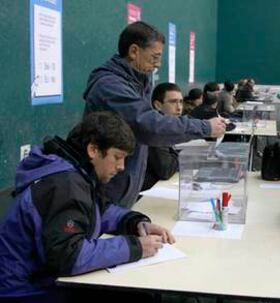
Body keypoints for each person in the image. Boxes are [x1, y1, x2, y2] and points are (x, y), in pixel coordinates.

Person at [0, 112, 175, 303]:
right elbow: (68, 256)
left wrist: (135, 222)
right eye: (117, 157)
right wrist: (135, 247)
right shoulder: (65, 184)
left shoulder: (75, 171)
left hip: (41, 279)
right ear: (93, 150)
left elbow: (98, 210)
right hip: (28, 291)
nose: (122, 166)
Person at [83, 21, 226, 208]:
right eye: (155, 57)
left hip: (126, 188)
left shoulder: (138, 81)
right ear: (134, 51)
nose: (157, 64)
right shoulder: (110, 86)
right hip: (106, 188)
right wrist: (205, 127)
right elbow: (149, 125)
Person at [142, 83, 182, 191]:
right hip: (147, 193)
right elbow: (166, 170)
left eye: (181, 102)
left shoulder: (168, 127)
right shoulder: (155, 129)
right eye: (173, 102)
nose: (179, 108)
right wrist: (182, 156)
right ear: (158, 105)